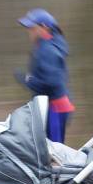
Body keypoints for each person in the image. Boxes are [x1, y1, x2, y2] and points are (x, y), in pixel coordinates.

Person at [15, 8, 75, 144]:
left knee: (53, 154)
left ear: (44, 28)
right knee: (49, 152)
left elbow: (52, 83)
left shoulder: (48, 50)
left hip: (55, 108)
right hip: (53, 107)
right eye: (27, 27)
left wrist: (27, 80)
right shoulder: (46, 45)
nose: (28, 30)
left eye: (32, 27)